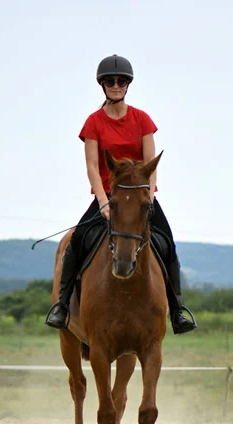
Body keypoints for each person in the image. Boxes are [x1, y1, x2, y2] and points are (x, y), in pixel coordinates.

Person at [46, 54, 196, 334]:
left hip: (140, 198)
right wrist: (103, 202)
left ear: (128, 85)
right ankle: (63, 305)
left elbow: (151, 163)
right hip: (109, 197)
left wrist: (149, 196)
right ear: (102, 85)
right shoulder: (93, 122)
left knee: (168, 244)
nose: (116, 85)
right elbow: (92, 166)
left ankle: (177, 310)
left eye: (121, 81)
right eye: (111, 81)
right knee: (77, 241)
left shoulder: (142, 120)